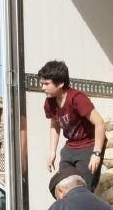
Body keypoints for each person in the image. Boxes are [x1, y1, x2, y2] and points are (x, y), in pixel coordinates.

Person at [39, 60, 107, 190]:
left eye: (46, 84)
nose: (43, 88)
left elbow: (99, 123)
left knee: (82, 189)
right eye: (42, 83)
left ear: (60, 83)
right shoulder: (50, 102)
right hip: (70, 148)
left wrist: (96, 153)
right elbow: (55, 125)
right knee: (62, 186)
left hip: (88, 145)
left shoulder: (77, 98)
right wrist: (52, 152)